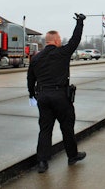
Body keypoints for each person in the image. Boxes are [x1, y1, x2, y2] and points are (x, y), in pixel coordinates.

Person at [27, 13, 86, 173]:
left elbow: (30, 79)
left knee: (45, 129)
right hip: (61, 97)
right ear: (56, 40)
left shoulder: (36, 59)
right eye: (59, 39)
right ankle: (72, 156)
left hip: (43, 97)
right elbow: (75, 40)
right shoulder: (62, 53)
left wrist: (33, 95)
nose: (61, 41)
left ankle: (42, 162)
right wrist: (80, 22)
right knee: (67, 127)